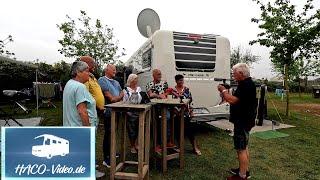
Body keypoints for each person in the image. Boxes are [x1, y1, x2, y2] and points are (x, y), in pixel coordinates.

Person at [217, 63, 257, 180]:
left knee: (241, 149)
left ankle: (242, 176)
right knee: (244, 146)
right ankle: (244, 170)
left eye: (234, 73)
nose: (233, 75)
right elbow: (238, 100)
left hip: (242, 121)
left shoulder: (246, 85)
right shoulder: (246, 83)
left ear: (241, 73)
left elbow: (233, 100)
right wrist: (226, 93)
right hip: (245, 120)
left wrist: (223, 91)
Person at [79, 56, 105, 178]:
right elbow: (85, 96)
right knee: (89, 141)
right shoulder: (84, 80)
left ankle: (90, 164)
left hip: (95, 113)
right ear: (85, 64)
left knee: (92, 140)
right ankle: (88, 168)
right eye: (92, 64)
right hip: (89, 113)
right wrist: (97, 106)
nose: (94, 65)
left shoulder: (92, 77)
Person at [98, 64, 124, 168]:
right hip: (109, 112)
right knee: (108, 134)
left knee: (114, 132)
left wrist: (118, 97)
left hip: (117, 111)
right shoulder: (102, 80)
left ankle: (112, 152)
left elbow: (122, 93)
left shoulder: (116, 81)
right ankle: (106, 158)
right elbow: (111, 98)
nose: (115, 71)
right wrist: (119, 97)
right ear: (107, 70)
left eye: (115, 69)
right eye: (113, 69)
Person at [169, 74, 201, 156]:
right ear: (176, 81)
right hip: (176, 115)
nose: (181, 82)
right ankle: (180, 147)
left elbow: (190, 102)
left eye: (182, 80)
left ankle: (195, 147)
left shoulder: (187, 90)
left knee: (190, 131)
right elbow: (171, 103)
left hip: (185, 114)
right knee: (177, 131)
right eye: (180, 80)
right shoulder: (172, 90)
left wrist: (191, 111)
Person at [146, 69, 174, 153]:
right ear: (153, 75)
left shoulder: (164, 83)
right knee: (156, 124)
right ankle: (157, 144)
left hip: (164, 106)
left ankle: (167, 141)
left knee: (167, 121)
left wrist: (158, 95)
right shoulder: (149, 84)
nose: (160, 76)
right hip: (154, 107)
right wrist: (159, 96)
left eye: (160, 74)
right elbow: (150, 95)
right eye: (158, 74)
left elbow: (166, 93)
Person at [63, 61, 97, 127]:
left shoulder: (69, 83)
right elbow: (82, 112)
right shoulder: (80, 87)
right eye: (87, 71)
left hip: (70, 127)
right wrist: (87, 131)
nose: (89, 74)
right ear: (78, 72)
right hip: (79, 129)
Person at [122, 74, 142, 153]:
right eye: (135, 79)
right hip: (130, 111)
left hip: (139, 110)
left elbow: (141, 97)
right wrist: (127, 111)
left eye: (137, 79)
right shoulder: (126, 90)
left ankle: (136, 143)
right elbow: (124, 101)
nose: (137, 80)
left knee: (139, 128)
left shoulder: (139, 88)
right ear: (131, 80)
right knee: (131, 129)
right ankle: (132, 145)